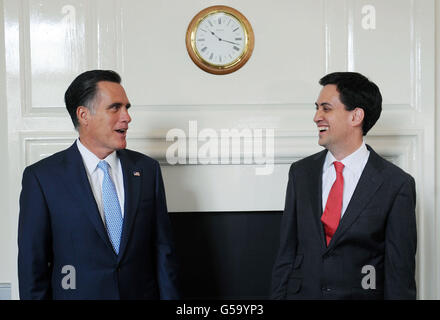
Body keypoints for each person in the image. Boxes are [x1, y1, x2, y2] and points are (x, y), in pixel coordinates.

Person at [18, 70, 180, 299]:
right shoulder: (42, 178)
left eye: (127, 107)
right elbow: (32, 267)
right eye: (115, 107)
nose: (127, 117)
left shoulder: (147, 170)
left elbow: (163, 252)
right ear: (84, 115)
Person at [271, 72, 417, 299]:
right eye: (317, 107)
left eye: (326, 108)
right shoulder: (301, 173)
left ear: (356, 116)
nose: (316, 116)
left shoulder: (396, 184)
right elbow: (286, 254)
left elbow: (400, 276)